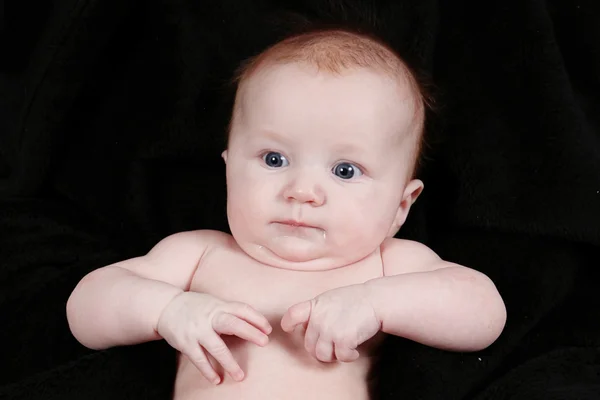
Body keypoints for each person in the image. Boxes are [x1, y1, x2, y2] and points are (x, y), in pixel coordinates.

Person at [66, 28, 507, 400]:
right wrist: (167, 308)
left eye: (344, 170)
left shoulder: (387, 265)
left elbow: (483, 311)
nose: (301, 192)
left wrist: (377, 303)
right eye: (274, 159)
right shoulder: (199, 253)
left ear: (400, 206)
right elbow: (86, 307)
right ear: (228, 170)